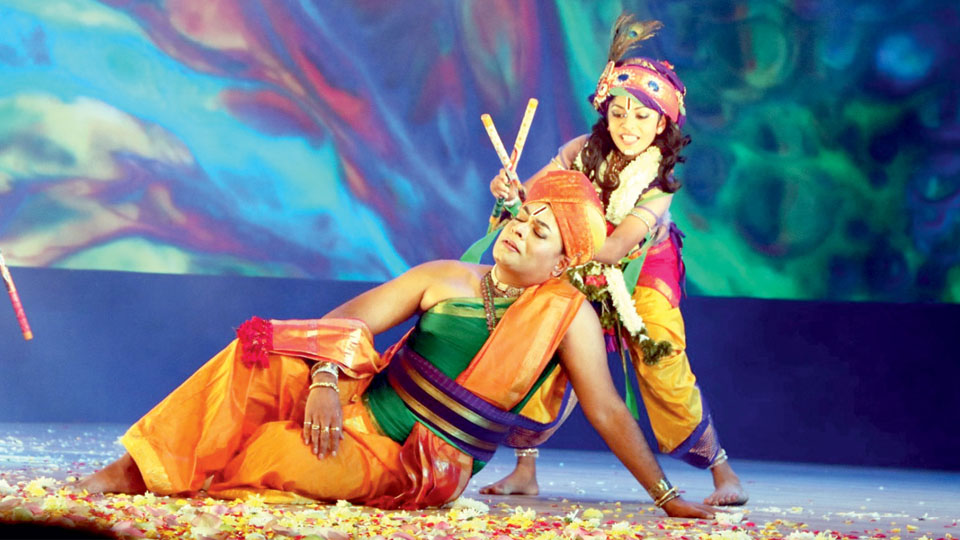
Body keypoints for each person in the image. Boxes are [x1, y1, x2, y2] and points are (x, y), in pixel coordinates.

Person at [77, 170, 716, 518]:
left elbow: (606, 410)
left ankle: (192, 467)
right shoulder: (445, 276)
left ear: (564, 262)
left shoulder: (566, 315)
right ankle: (137, 468)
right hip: (353, 404)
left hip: (409, 462)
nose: (519, 231)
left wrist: (665, 496)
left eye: (540, 232)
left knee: (272, 449)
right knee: (260, 352)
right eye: (522, 217)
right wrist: (325, 382)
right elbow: (347, 320)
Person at [485, 15, 748, 506]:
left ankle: (722, 473)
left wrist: (560, 244)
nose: (629, 126)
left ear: (663, 123)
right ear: (605, 113)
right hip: (577, 263)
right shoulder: (579, 152)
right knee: (541, 345)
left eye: (643, 117)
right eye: (620, 113)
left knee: (662, 361)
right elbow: (531, 203)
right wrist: (510, 194)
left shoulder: (658, 184)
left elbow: (614, 246)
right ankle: (525, 470)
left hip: (641, 270)